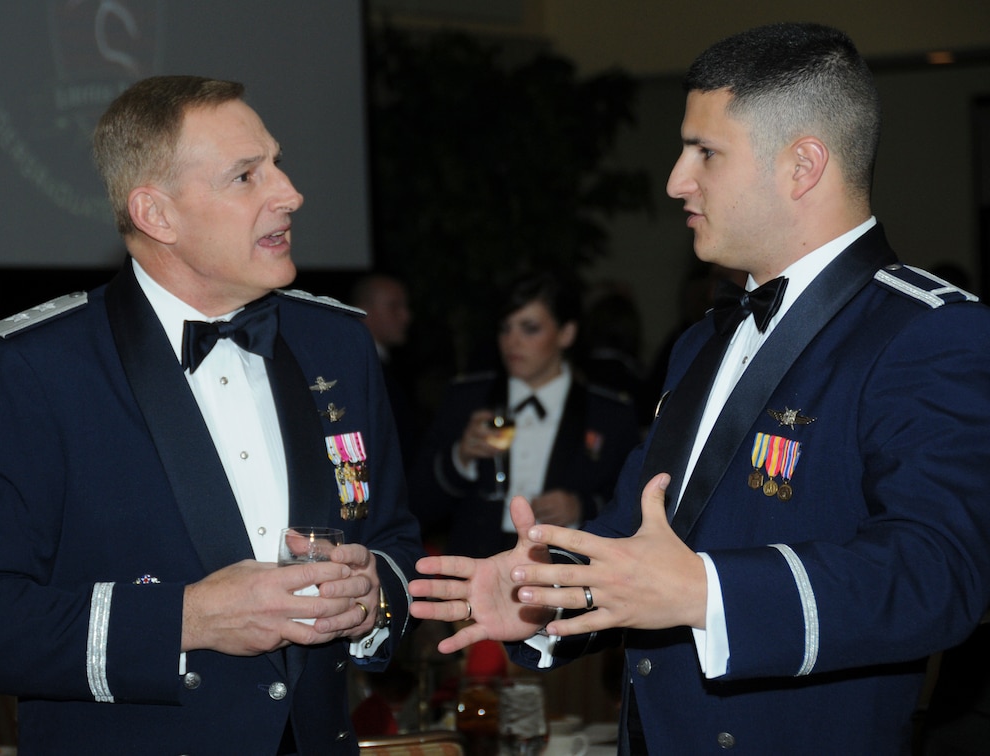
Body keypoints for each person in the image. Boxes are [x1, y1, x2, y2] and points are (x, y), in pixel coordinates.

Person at [408, 23, 990, 755]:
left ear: (803, 165)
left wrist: (707, 592)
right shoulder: (702, 342)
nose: (676, 180)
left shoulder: (926, 331)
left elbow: (940, 573)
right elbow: (641, 536)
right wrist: (545, 590)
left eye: (705, 152)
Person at [0, 76, 424, 755]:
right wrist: (188, 618)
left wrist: (370, 599)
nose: (290, 193)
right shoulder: (35, 370)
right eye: (246, 175)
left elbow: (393, 537)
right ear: (156, 214)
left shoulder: (336, 343)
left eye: (277, 163)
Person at [410, 272, 638, 558]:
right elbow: (416, 504)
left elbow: (636, 505)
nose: (512, 341)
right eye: (505, 328)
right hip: (477, 561)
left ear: (566, 333)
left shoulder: (608, 414)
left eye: (530, 328)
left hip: (563, 567)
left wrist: (582, 507)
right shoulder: (467, 398)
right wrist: (461, 458)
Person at [349, 273, 420, 464]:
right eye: (394, 307)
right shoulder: (359, 370)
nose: (406, 316)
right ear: (363, 312)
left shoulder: (393, 367)